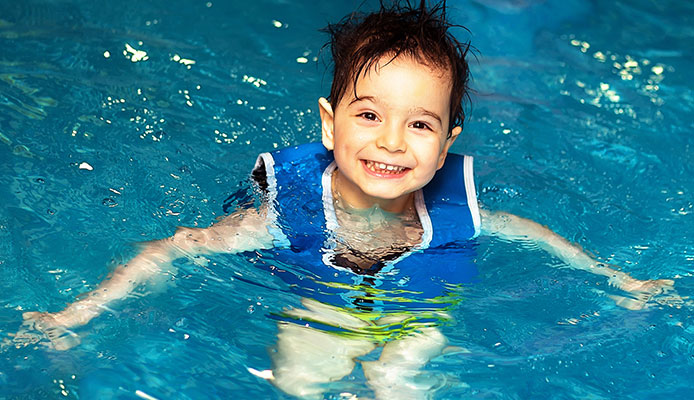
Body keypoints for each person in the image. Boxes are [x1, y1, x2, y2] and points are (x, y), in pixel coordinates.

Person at [16, 1, 676, 398]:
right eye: (369, 116)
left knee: (401, 376)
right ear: (330, 125)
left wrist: (617, 280)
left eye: (419, 124)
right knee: (303, 376)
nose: (391, 142)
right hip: (320, 290)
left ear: (446, 146)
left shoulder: (450, 212)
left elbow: (529, 233)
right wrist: (79, 314)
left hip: (420, 300)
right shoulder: (291, 208)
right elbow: (176, 249)